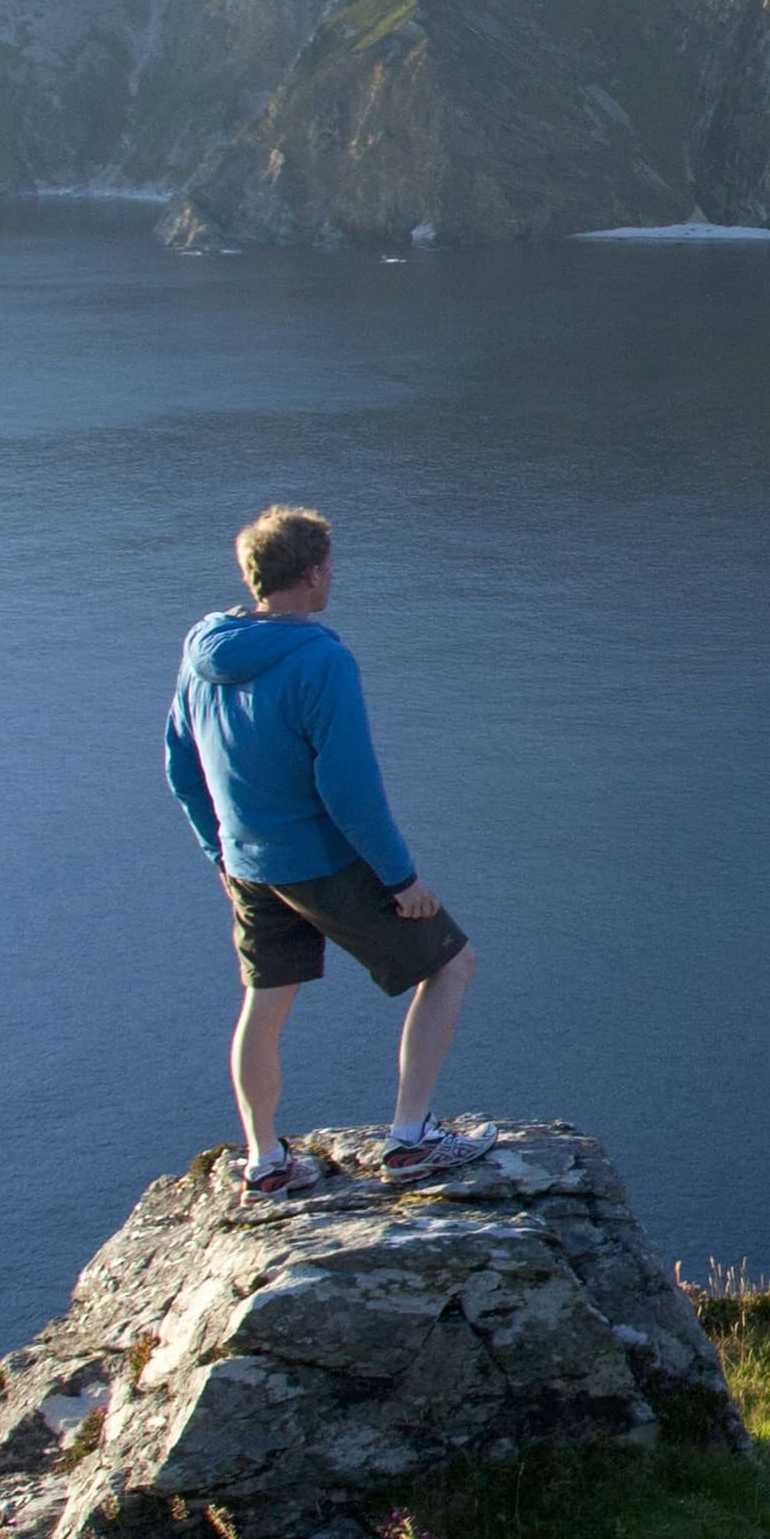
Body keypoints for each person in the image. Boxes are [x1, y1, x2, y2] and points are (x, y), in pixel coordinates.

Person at [164, 505, 493, 1196]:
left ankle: (265, 1160)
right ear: (313, 574)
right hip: (318, 859)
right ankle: (411, 1139)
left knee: (264, 1001)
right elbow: (347, 790)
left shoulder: (203, 649)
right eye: (330, 567)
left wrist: (220, 853)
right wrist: (401, 879)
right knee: (452, 964)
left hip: (249, 864)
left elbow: (180, 765)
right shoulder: (320, 660)